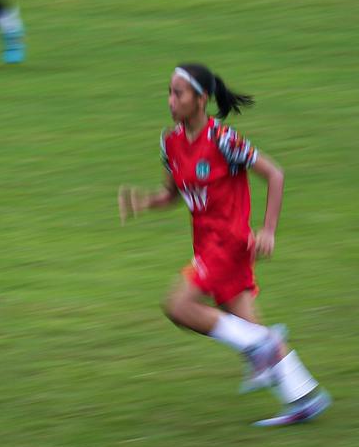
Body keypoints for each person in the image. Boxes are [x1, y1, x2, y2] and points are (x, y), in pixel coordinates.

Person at [118, 64, 331, 427]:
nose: (171, 101)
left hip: (229, 244)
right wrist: (145, 202)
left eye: (179, 94)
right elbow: (173, 195)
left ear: (201, 100)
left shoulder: (223, 140)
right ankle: (303, 398)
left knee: (178, 305)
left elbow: (274, 174)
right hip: (205, 245)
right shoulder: (169, 143)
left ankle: (259, 346)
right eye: (168, 93)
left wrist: (268, 229)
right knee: (246, 322)